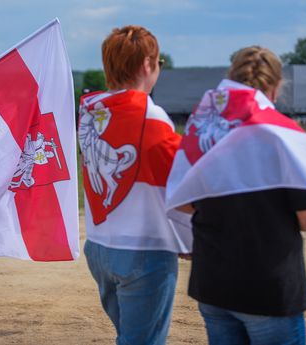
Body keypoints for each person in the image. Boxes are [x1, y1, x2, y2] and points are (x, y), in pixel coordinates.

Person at [165, 46, 306, 344]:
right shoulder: (286, 136)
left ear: (231, 79)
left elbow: (183, 202)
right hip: (267, 287)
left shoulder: (203, 131)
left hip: (213, 283)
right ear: (276, 86)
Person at [77, 25, 191, 345]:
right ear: (147, 65)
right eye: (159, 63)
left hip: (100, 246)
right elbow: (183, 184)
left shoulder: (90, 115)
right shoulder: (152, 117)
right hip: (144, 250)